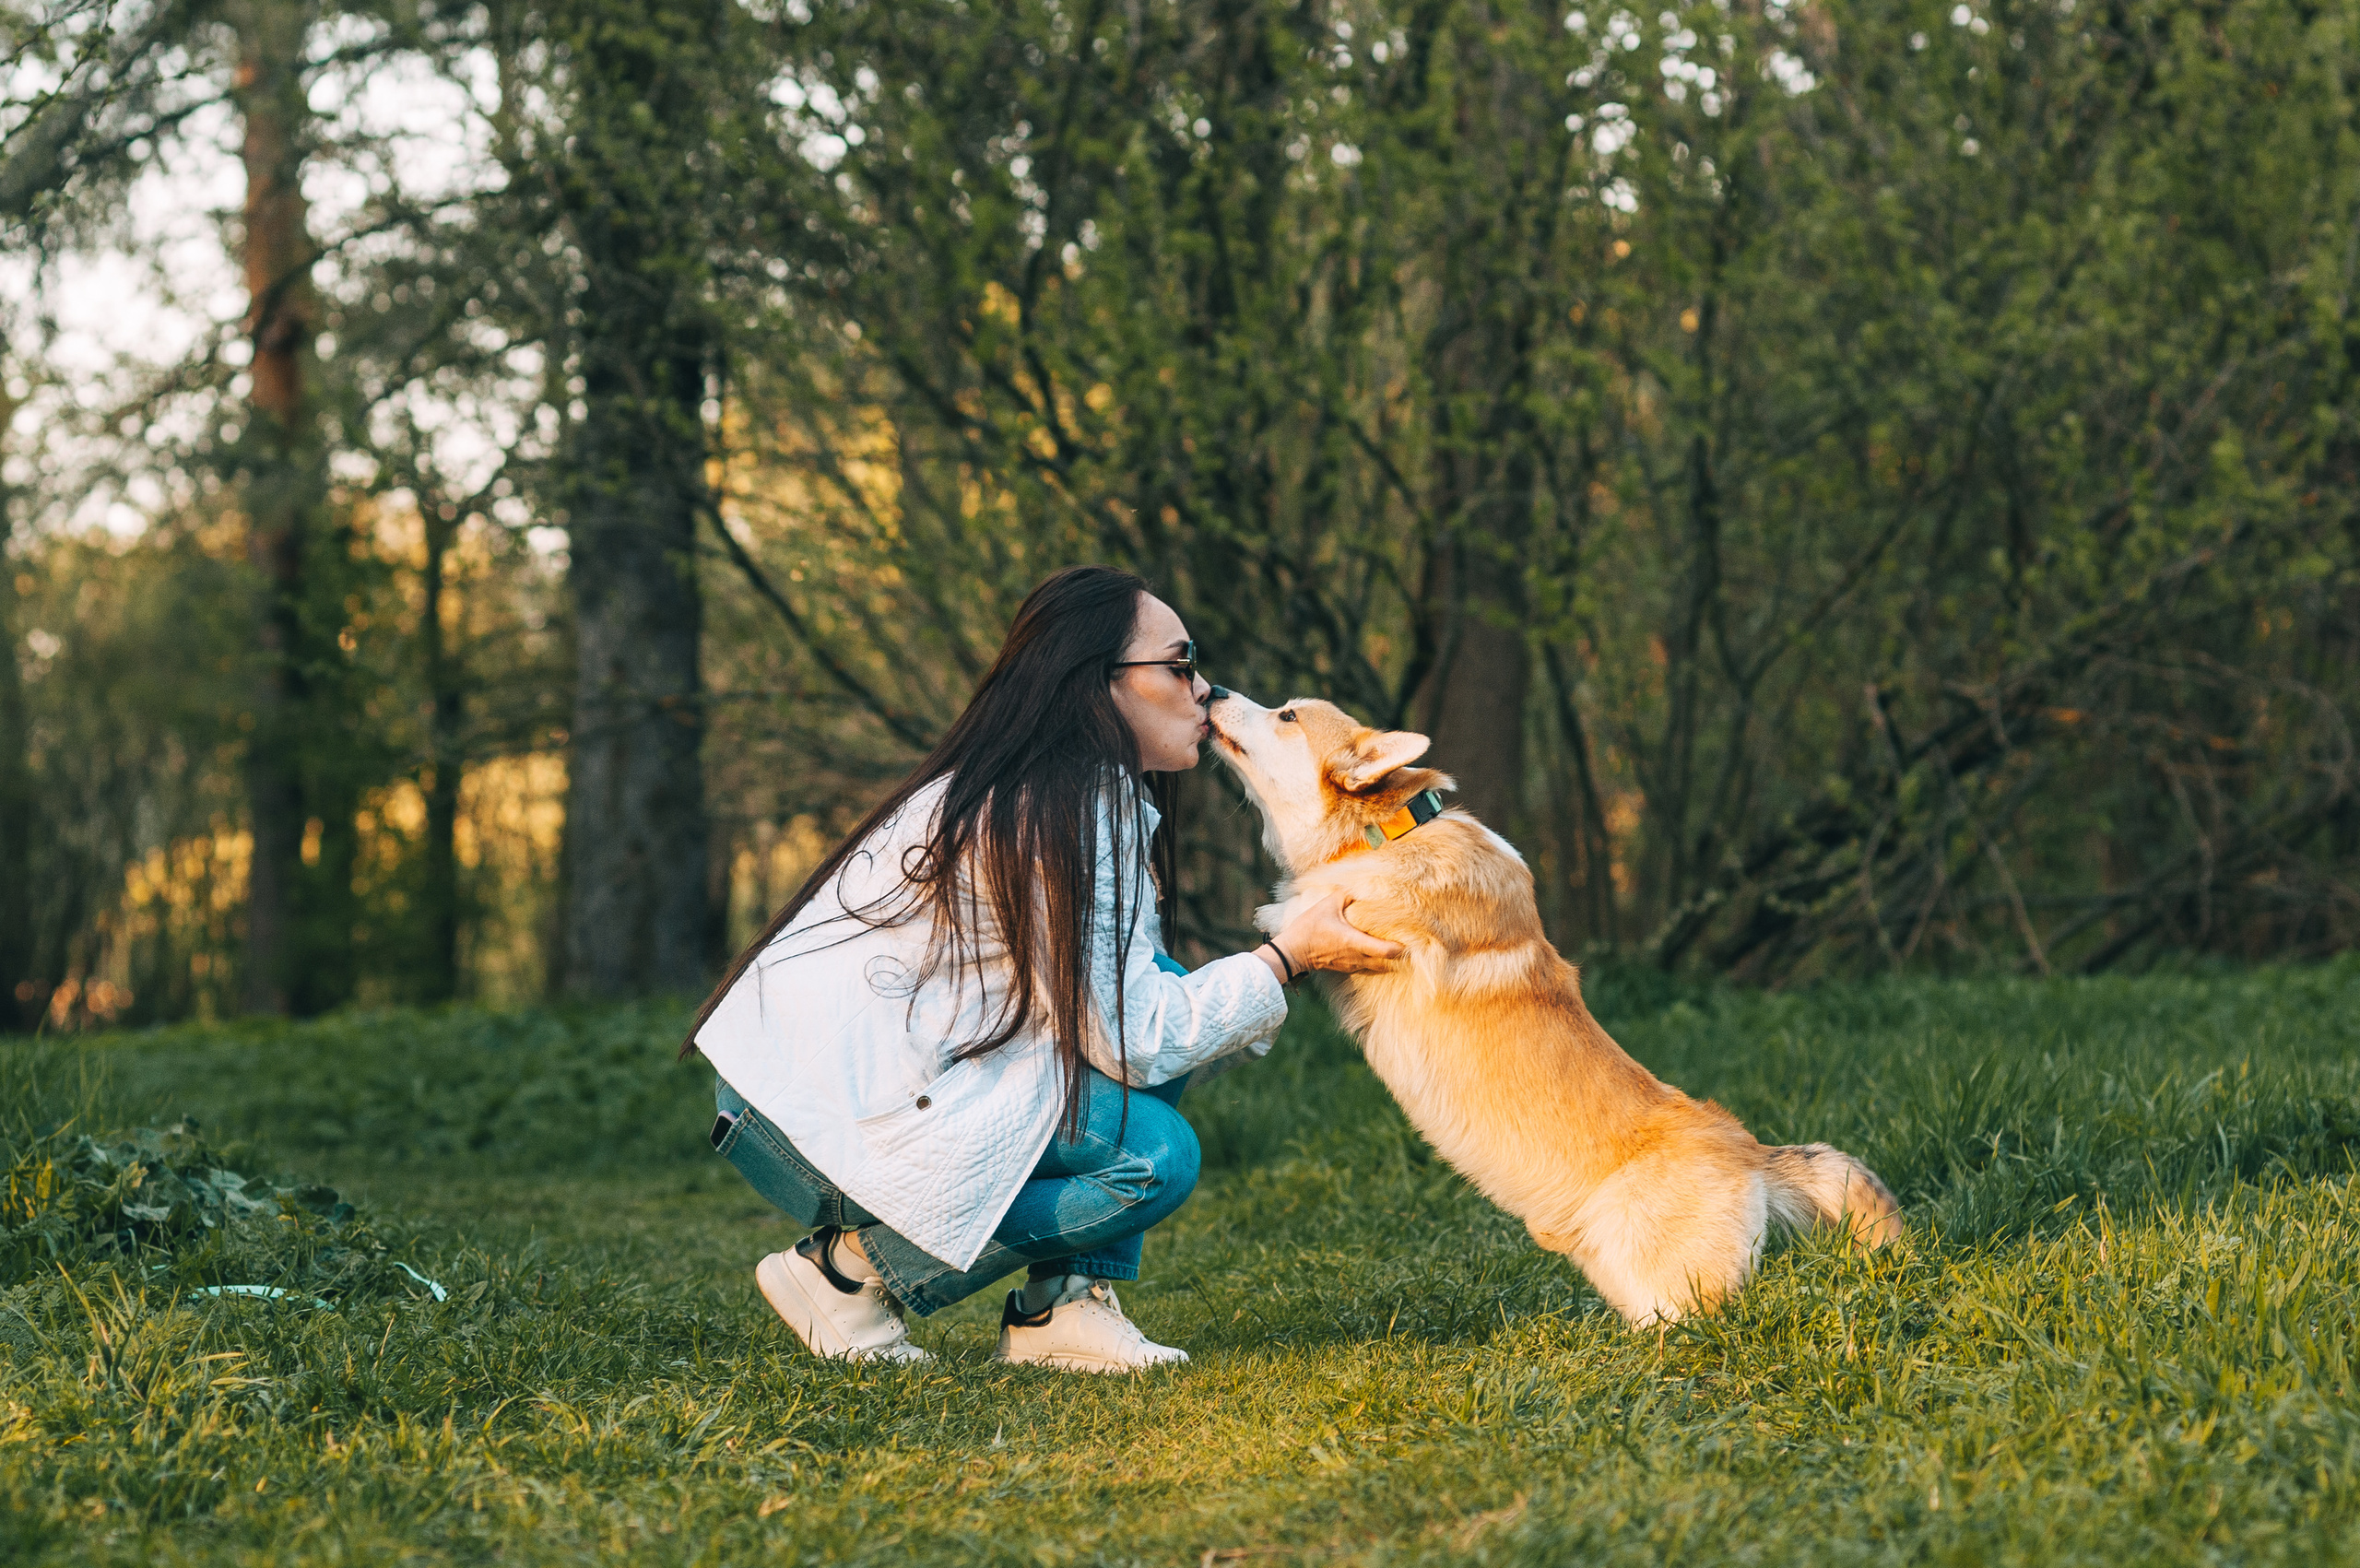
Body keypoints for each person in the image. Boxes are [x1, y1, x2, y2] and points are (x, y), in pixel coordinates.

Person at [687, 566, 1401, 1373]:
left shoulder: (1049, 786)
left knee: (1157, 975)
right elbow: (1137, 1039)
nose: (1204, 687)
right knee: (1156, 1158)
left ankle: (1059, 1309)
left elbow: (1118, 1012)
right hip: (808, 1123)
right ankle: (847, 1273)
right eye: (1180, 662)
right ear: (1099, 683)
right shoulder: (1063, 811)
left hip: (802, 1100)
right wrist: (1286, 958)